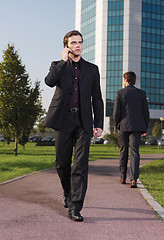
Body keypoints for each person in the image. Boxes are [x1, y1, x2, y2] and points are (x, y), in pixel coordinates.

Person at [44, 30, 104, 221]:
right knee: (62, 164)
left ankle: (75, 207)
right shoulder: (58, 66)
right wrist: (62, 62)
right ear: (66, 46)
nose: (77, 45)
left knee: (80, 165)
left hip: (83, 123)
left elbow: (98, 98)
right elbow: (49, 82)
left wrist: (99, 124)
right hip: (62, 121)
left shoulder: (92, 69)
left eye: (80, 42)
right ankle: (67, 192)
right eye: (73, 43)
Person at [113, 71, 149, 188]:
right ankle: (133, 179)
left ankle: (122, 177)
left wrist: (116, 125)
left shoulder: (120, 93)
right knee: (135, 152)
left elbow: (116, 113)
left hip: (123, 126)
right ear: (134, 81)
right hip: (137, 127)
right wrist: (145, 127)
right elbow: (145, 113)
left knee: (123, 151)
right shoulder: (141, 94)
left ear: (125, 80)